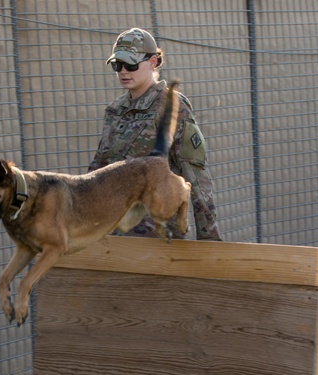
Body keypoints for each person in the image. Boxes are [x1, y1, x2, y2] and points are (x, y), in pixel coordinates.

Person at [89, 27, 222, 241]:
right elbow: (98, 172)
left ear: (153, 62)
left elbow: (196, 176)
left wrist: (210, 240)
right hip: (114, 237)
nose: (123, 71)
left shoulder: (171, 106)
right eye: (117, 65)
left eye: (131, 64)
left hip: (158, 238)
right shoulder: (115, 110)